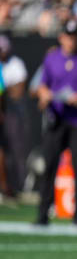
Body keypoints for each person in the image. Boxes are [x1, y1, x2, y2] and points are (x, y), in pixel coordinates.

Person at [35, 19, 77, 226]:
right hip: (57, 117)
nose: (70, 41)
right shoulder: (52, 58)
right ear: (61, 37)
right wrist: (45, 94)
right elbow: (41, 85)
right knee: (49, 166)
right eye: (67, 36)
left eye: (74, 37)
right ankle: (43, 214)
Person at [0, 35, 28, 196]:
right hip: (4, 111)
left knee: (15, 149)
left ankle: (16, 185)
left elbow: (17, 91)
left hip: (12, 114)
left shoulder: (15, 63)